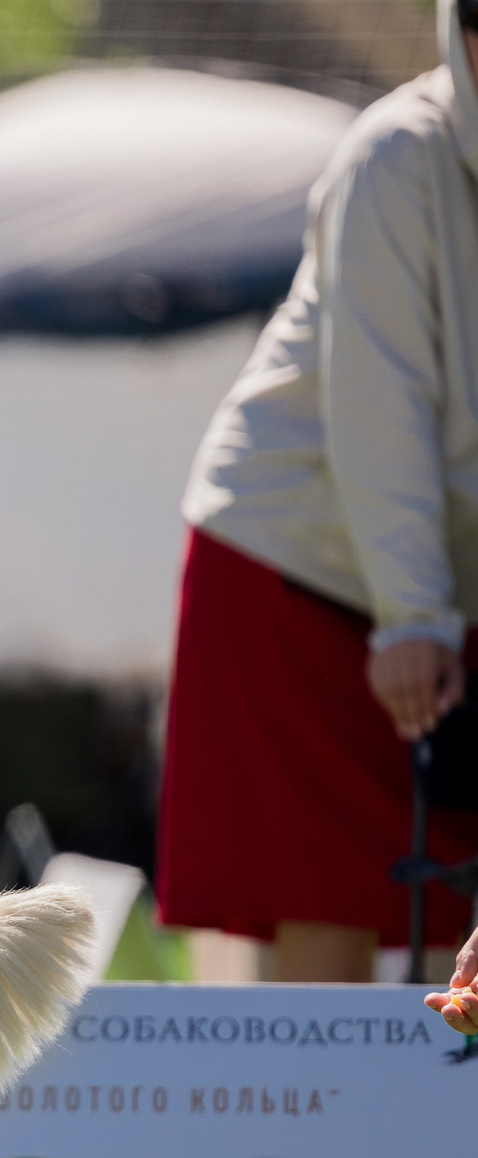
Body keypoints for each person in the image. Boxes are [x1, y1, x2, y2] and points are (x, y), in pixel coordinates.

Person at [163, 0, 478, 982]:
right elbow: (378, 400)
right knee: (326, 902)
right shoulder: (395, 157)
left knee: (449, 909)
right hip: (298, 567)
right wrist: (413, 616)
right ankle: (323, 1138)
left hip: (427, 591)